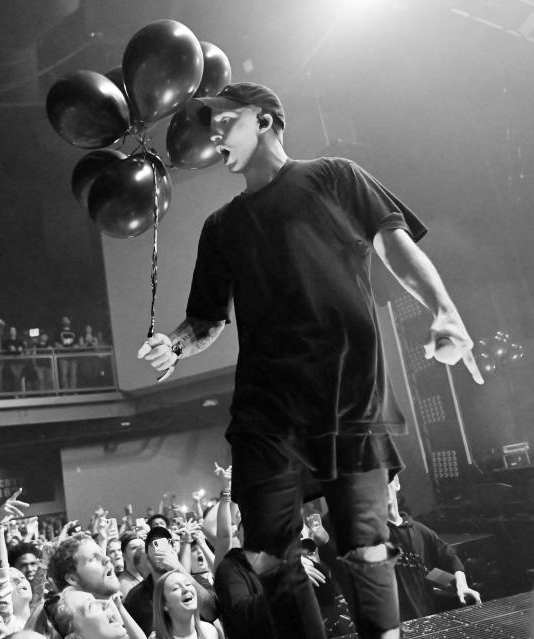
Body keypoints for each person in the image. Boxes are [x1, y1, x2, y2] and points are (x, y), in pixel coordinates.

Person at [138, 83, 483, 639]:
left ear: (267, 120)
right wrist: (174, 345)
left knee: (367, 545)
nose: (215, 132)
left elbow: (393, 243)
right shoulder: (220, 226)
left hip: (349, 395)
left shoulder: (335, 176)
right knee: (269, 556)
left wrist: (443, 310)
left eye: (226, 119)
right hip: (267, 410)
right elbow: (206, 320)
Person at [384, 475, 479, 621]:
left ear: (396, 484)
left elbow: (449, 558)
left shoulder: (420, 530)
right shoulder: (369, 536)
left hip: (425, 621)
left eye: (385, 479)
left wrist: (461, 586)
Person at [123, 527, 218, 636]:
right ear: (147, 557)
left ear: (173, 550)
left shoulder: (196, 581)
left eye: (166, 542)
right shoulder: (136, 597)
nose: (161, 548)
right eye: (155, 544)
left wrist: (178, 568)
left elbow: (212, 613)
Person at [149, 570, 224, 639]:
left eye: (188, 584)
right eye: (176, 588)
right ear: (164, 604)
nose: (186, 589)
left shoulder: (209, 631)